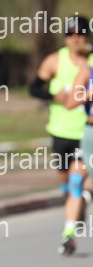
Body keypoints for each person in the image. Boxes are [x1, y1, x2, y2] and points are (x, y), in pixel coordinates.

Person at [29, 16, 93, 255]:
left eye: (81, 33)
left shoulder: (91, 62)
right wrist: (53, 96)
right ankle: (77, 209)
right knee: (67, 187)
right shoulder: (55, 60)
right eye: (70, 33)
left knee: (77, 182)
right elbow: (33, 88)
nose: (76, 38)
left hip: (85, 132)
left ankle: (70, 234)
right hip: (61, 130)